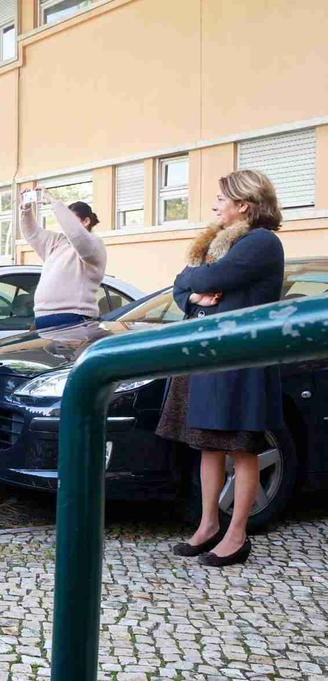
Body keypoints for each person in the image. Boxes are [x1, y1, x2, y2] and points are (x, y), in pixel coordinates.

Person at [157, 169, 286, 568]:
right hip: (206, 356)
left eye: (221, 199)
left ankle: (237, 534)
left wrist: (195, 282)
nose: (215, 205)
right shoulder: (216, 243)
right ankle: (207, 526)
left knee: (241, 449)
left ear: (243, 204)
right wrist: (194, 292)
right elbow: (183, 283)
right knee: (208, 445)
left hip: (238, 362)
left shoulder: (261, 242)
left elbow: (209, 276)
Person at [18, 190, 106, 330]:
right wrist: (26, 209)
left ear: (86, 221)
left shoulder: (94, 244)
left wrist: (54, 203)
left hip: (74, 316)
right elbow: (32, 233)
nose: (65, 224)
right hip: (43, 317)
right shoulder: (58, 241)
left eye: (70, 219)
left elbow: (76, 233)